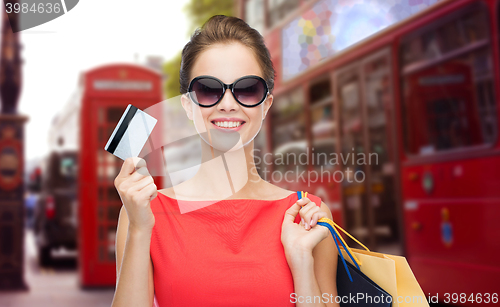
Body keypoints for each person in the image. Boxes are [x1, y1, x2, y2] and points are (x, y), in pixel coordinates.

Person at [111, 15, 339, 307]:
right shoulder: (143, 214)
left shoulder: (309, 215)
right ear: (187, 105)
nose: (228, 104)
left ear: (266, 104)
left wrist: (302, 263)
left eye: (247, 89)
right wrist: (141, 230)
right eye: (208, 89)